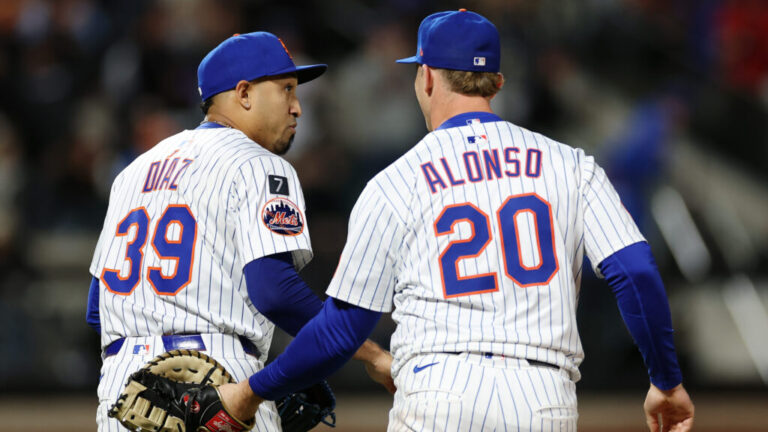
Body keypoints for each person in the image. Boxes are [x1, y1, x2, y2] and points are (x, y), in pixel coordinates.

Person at [217, 11, 695, 432]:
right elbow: (634, 271)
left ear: (426, 78)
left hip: (438, 392)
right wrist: (666, 381)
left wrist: (253, 391)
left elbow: (342, 330)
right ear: (498, 84)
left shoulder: (395, 182)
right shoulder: (571, 165)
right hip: (543, 395)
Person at [86, 31, 393, 432]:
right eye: (285, 89)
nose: (297, 107)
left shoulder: (132, 173)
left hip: (124, 394)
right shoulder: (258, 164)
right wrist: (368, 354)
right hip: (216, 385)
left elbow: (97, 308)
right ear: (244, 93)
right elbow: (276, 292)